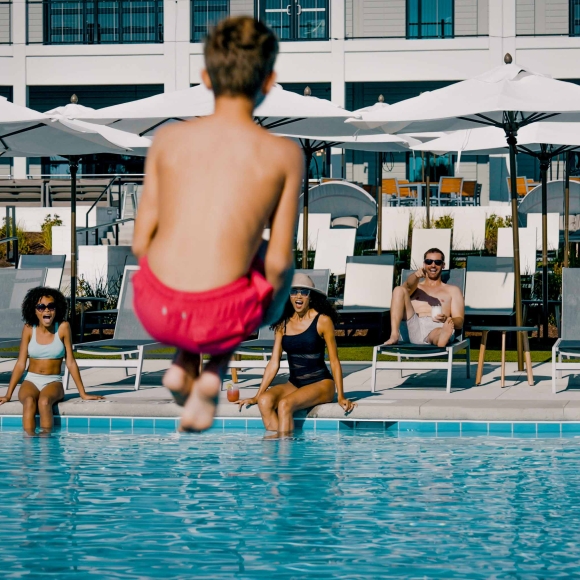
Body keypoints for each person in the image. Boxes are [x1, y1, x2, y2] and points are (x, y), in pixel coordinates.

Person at [131, 17, 302, 432]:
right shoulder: (283, 153)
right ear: (269, 81)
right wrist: (272, 299)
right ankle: (213, 374)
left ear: (206, 77)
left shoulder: (167, 140)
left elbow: (140, 243)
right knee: (264, 266)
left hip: (156, 307)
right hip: (225, 316)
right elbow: (279, 263)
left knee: (207, 279)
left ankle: (182, 366)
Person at [235, 273, 356, 434]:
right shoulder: (282, 324)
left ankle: (286, 455)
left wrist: (341, 396)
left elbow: (334, 360)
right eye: (294, 291)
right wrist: (258, 395)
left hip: (321, 384)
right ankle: (282, 448)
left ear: (310, 297)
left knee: (285, 404)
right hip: (294, 384)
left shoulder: (322, 321)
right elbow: (274, 363)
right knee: (264, 401)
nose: (299, 296)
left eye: (304, 292)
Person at [0, 287, 103, 434]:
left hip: (53, 381)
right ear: (34, 310)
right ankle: (30, 448)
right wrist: (8, 394)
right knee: (29, 402)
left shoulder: (63, 327)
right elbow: (21, 363)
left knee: (44, 401)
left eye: (51, 306)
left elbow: (71, 362)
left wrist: (83, 393)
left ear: (57, 309)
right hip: (31, 380)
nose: (46, 310)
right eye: (41, 307)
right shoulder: (29, 328)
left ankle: (46, 447)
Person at [384, 248, 464, 347]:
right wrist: (415, 276)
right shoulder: (415, 287)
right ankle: (394, 335)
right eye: (429, 261)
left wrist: (447, 319)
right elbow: (407, 287)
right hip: (414, 325)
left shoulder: (453, 290)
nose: (433, 265)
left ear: (443, 265)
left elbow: (459, 321)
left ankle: (441, 339)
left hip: (438, 326)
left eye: (437, 262)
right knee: (398, 290)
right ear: (424, 264)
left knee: (439, 332)